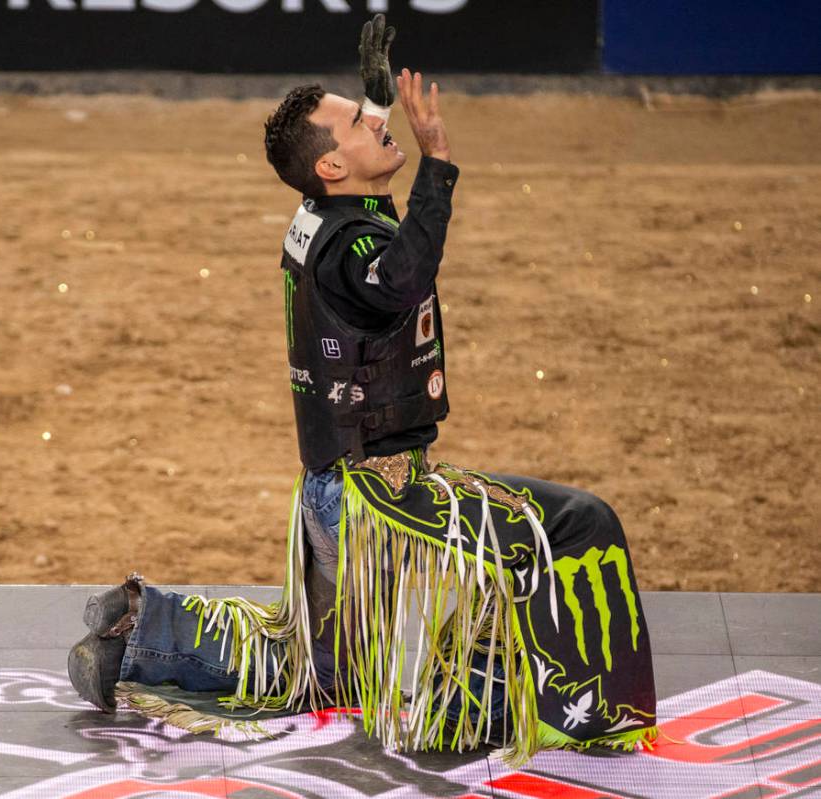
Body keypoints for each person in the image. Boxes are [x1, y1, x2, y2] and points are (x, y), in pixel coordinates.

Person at [68, 15, 658, 764]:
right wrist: (438, 163)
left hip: (327, 492)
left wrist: (373, 109)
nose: (370, 121)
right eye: (354, 121)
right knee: (578, 523)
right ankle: (585, 714)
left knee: (323, 667)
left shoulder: (317, 215)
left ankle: (140, 631)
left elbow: (354, 196)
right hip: (379, 503)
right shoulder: (354, 248)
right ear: (331, 170)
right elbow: (400, 274)